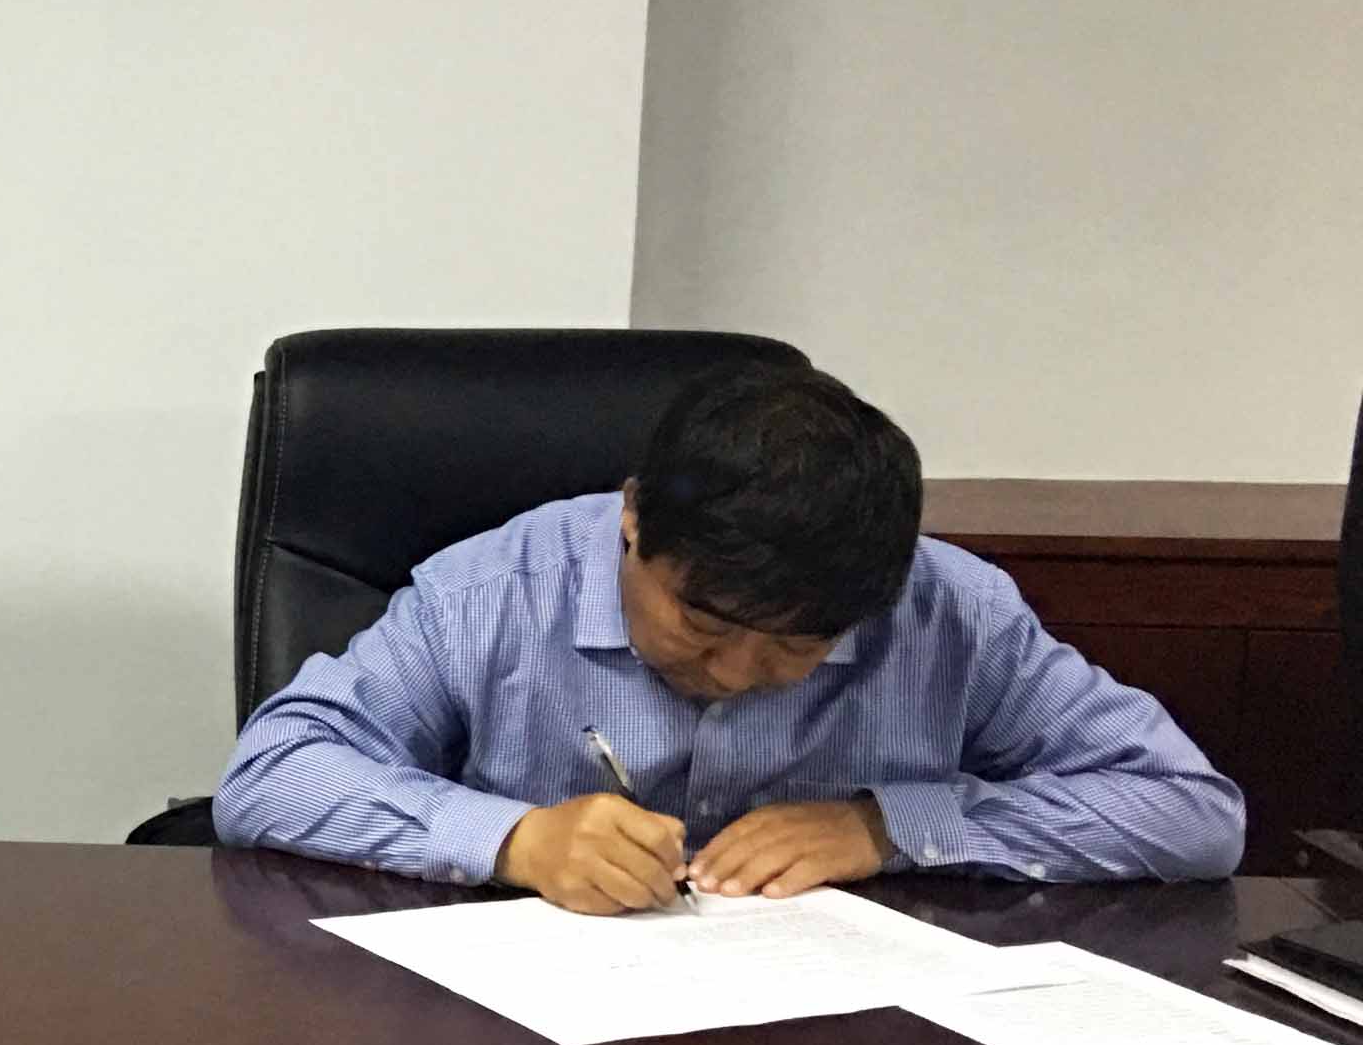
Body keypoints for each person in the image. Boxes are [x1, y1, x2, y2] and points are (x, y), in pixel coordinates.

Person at [212, 360, 1242, 913]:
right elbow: (271, 772)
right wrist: (513, 840)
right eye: (702, 622)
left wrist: (890, 828)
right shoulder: (496, 590)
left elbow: (1191, 811)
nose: (742, 673)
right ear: (632, 521)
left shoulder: (948, 611)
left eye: (801, 644)